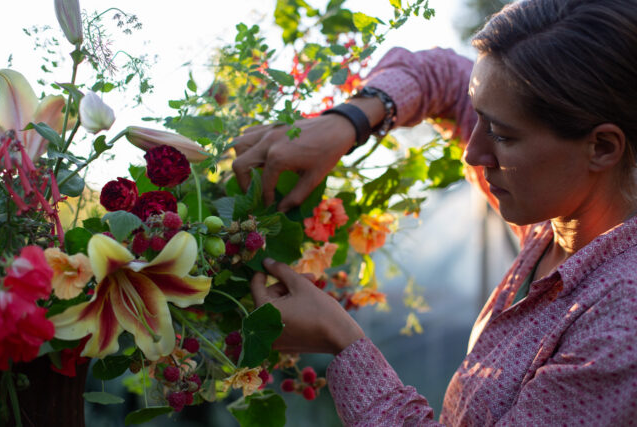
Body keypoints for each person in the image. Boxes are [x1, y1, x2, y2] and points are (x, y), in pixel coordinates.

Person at [233, 0, 637, 425]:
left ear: (602, 147)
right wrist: (348, 121)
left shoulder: (622, 323)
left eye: (502, 136)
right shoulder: (558, 224)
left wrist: (341, 341)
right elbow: (441, 75)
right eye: (478, 117)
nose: (473, 153)